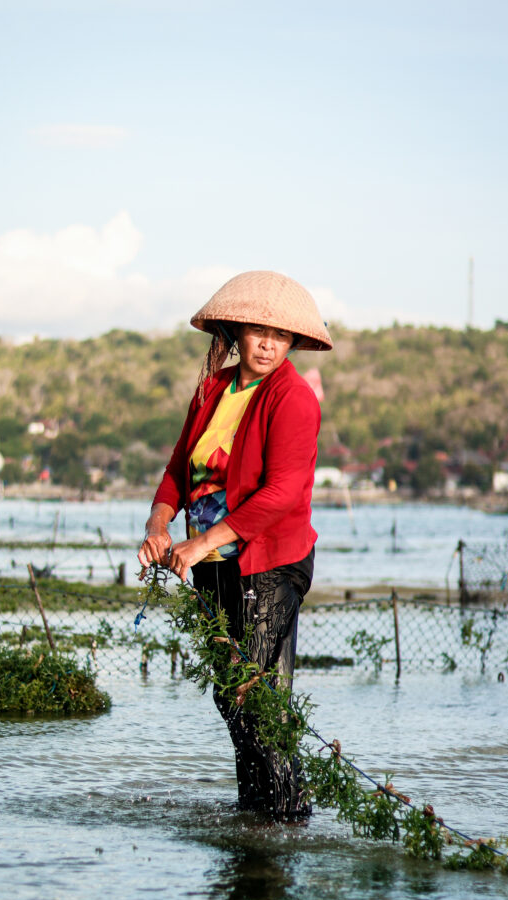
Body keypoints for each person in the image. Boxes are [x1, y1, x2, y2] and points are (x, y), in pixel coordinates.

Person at [137, 270, 332, 820]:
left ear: (292, 341)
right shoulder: (211, 388)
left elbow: (281, 493)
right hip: (214, 567)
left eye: (281, 335)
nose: (269, 344)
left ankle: (287, 817)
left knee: (259, 696)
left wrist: (199, 545)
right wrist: (159, 527)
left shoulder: (293, 398)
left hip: (270, 565)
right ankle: (255, 812)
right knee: (230, 694)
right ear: (237, 331)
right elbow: (179, 468)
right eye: (258, 331)